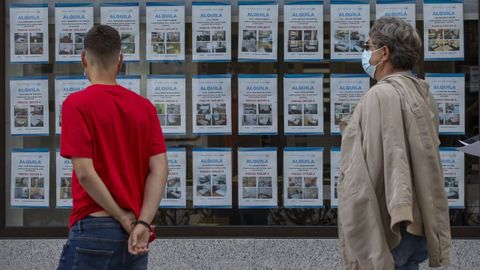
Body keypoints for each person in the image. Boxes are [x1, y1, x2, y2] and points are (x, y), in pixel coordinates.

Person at [337, 17, 451, 270]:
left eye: (369, 46)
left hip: (391, 225)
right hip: (416, 219)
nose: (366, 53)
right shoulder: (420, 92)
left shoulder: (380, 95)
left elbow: (372, 169)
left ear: (384, 52)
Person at [57, 25, 168, 269]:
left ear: (83, 59)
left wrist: (122, 217)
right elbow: (159, 170)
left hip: (94, 227)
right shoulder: (145, 108)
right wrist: (143, 224)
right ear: (120, 60)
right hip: (136, 235)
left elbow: (85, 173)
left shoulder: (76, 104)